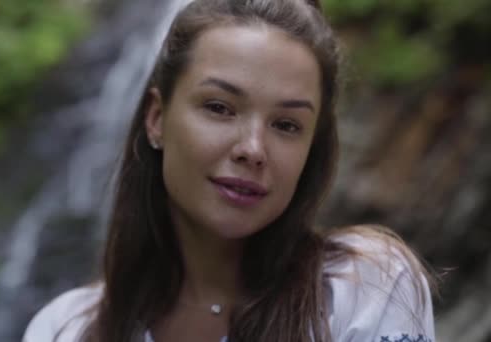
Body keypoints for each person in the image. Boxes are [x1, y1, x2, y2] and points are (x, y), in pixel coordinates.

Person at [23, 0, 436, 341]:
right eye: (219, 108)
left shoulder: (361, 290)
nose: (253, 149)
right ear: (156, 118)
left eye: (286, 125)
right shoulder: (64, 328)